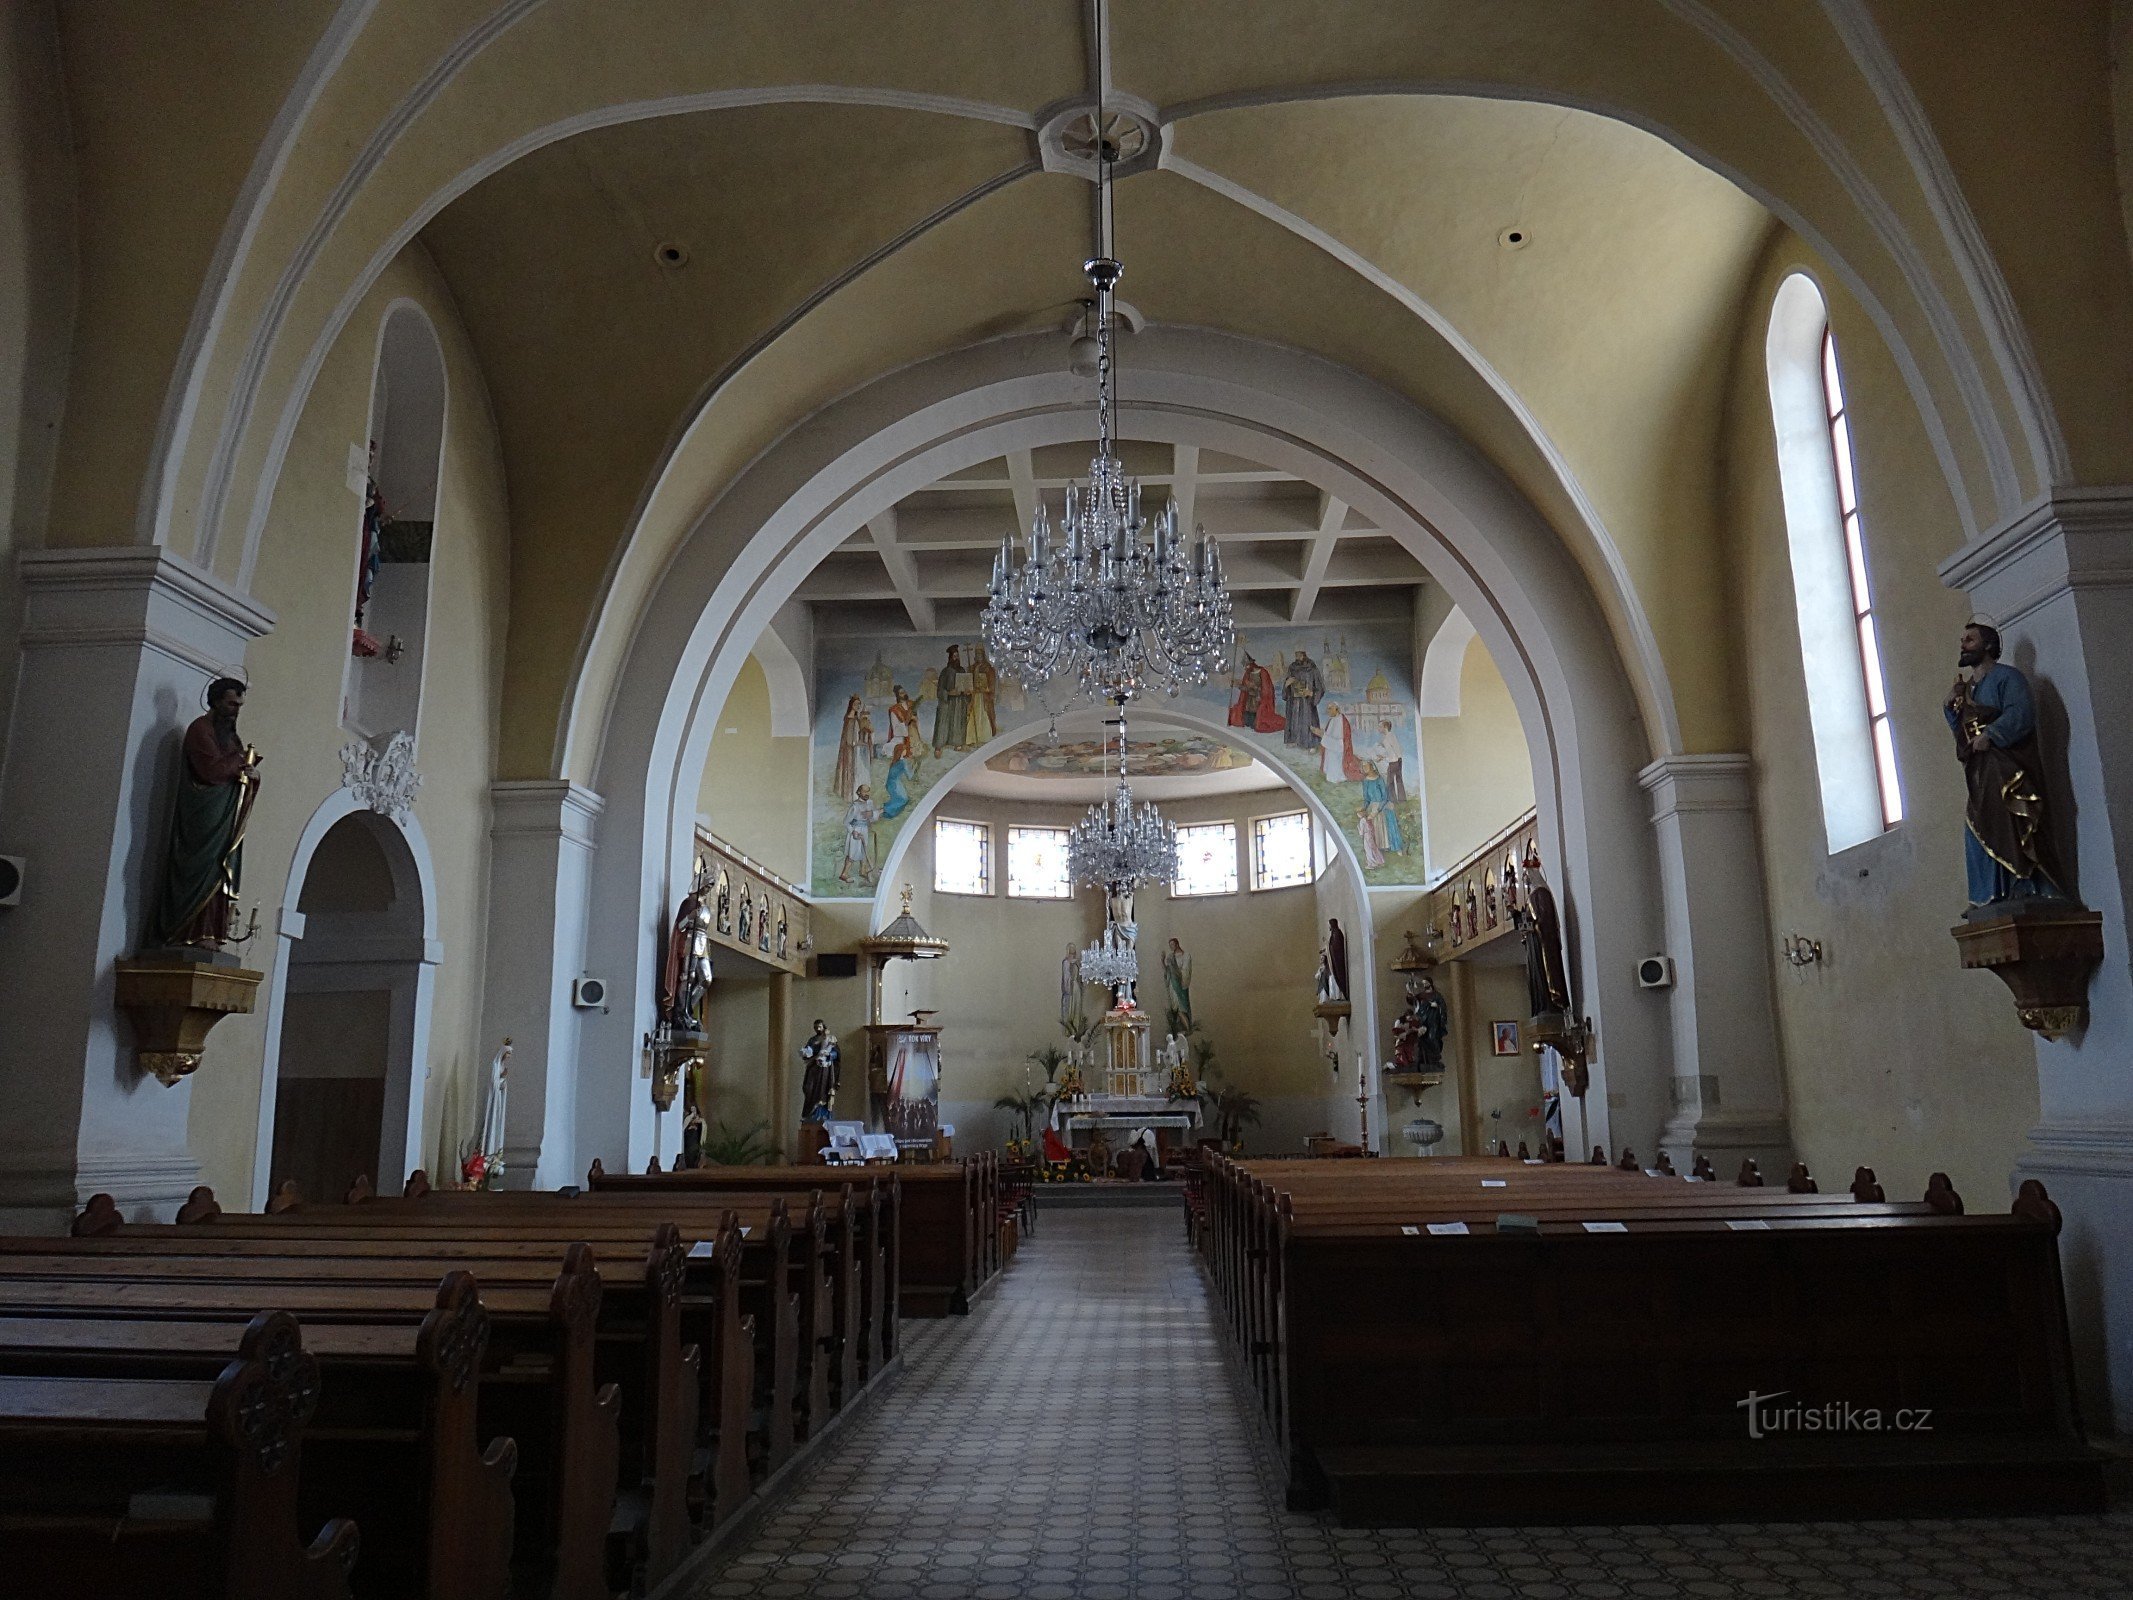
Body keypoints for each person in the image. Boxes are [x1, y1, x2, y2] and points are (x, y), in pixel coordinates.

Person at [1945, 621, 2066, 914]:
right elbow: (1962, 730)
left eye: (1970, 640)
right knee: (1975, 826)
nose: (1964, 645)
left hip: (2007, 767)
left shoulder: (2008, 678)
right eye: (1962, 640)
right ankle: (1989, 895)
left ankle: (2023, 885)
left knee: (2010, 820)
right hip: (1980, 770)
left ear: (1988, 645)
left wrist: (1993, 735)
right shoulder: (1967, 689)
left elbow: (2021, 713)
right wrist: (1951, 707)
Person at [152, 676, 263, 949]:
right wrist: (240, 761)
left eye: (239, 705)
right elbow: (210, 771)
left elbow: (236, 773)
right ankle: (186, 929)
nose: (235, 710)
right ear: (215, 701)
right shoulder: (199, 729)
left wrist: (253, 775)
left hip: (224, 817)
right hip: (202, 816)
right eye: (230, 704)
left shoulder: (232, 738)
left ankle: (210, 932)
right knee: (199, 868)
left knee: (219, 870)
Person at [1228, 651, 1283, 733]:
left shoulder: (1262, 672)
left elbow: (1267, 689)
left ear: (1251, 664)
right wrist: (1238, 686)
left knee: (1256, 721)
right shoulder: (1248, 674)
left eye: (1246, 665)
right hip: (1249, 702)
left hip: (1258, 701)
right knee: (1246, 718)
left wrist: (1255, 688)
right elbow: (1245, 690)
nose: (1245, 668)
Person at [1282, 648, 1325, 751]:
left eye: (1299, 654)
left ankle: (1311, 744)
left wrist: (1311, 693)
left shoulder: (1312, 668)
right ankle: (1293, 740)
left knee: (1308, 721)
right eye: (1296, 654)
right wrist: (1287, 684)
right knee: (1294, 720)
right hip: (1294, 701)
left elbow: (1321, 688)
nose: (1297, 656)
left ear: (1304, 654)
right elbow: (1286, 687)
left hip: (1307, 702)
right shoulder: (1292, 668)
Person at [800, 1020, 842, 1121]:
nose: (818, 1029)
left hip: (824, 1070)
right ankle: (810, 1114)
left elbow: (837, 1054)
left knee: (822, 1091)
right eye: (816, 1027)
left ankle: (821, 1114)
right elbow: (807, 1052)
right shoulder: (812, 1040)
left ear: (824, 1026)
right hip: (813, 1068)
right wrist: (806, 1053)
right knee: (808, 1088)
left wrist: (829, 1055)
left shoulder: (830, 1038)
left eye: (819, 1027)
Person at [1360, 761, 1404, 852]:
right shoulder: (1365, 781)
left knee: (1385, 815)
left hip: (1382, 804)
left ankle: (1391, 845)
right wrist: (1363, 808)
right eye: (1363, 767)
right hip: (1372, 805)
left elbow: (1385, 797)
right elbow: (1366, 798)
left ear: (1372, 767)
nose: (1365, 768)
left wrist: (1378, 809)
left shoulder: (1379, 779)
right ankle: (1377, 847)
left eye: (1366, 766)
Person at [934, 645, 972, 750]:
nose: (956, 658)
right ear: (950, 658)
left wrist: (968, 693)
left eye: (958, 656)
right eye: (954, 656)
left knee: (958, 722)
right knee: (944, 723)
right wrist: (949, 693)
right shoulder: (945, 672)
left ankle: (957, 743)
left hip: (960, 702)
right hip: (947, 703)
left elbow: (966, 686)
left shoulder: (962, 671)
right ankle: (940, 745)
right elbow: (940, 690)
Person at [840, 785, 879, 885]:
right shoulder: (855, 806)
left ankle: (863, 871)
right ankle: (844, 874)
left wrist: (872, 815)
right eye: (864, 792)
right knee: (853, 852)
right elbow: (846, 822)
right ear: (859, 793)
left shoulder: (870, 803)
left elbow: (873, 818)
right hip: (856, 831)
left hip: (865, 829)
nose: (867, 794)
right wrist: (853, 831)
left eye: (868, 792)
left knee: (864, 850)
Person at [832, 694, 868, 800]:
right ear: (851, 705)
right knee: (849, 770)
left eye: (859, 704)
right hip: (849, 750)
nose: (858, 706)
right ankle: (848, 794)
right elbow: (849, 739)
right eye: (856, 704)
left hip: (855, 748)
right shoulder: (849, 719)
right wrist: (855, 743)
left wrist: (860, 741)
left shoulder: (856, 718)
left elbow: (857, 733)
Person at [1319, 700, 1363, 782]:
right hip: (1330, 750)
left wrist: (1323, 736)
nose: (1327, 711)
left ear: (1336, 709)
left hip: (1337, 753)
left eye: (1330, 708)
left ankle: (1338, 777)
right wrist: (1323, 735)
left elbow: (1341, 744)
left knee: (1336, 770)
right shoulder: (1331, 720)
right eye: (1328, 708)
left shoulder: (1342, 722)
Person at [966, 644, 998, 746]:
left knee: (984, 715)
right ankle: (973, 738)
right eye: (977, 654)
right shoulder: (971, 668)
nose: (978, 656)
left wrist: (984, 689)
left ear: (983, 655)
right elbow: (968, 682)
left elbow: (992, 685)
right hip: (975, 697)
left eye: (980, 654)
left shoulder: (989, 669)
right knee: (973, 716)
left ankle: (984, 736)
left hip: (984, 697)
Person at [1162, 937, 1194, 1036]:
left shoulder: (1185, 956)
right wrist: (1163, 961)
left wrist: (1174, 965)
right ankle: (1180, 1028)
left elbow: (1184, 973)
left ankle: (1187, 1028)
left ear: (1177, 944)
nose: (1171, 947)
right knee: (1175, 1007)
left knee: (1181, 1007)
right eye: (1170, 945)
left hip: (1180, 986)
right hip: (1172, 984)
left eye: (1172, 945)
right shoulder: (1171, 957)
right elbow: (1167, 971)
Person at [879, 739, 915, 821]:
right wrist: (914, 768)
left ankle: (886, 813)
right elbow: (910, 776)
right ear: (902, 751)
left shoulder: (894, 761)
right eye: (905, 749)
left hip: (890, 784)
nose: (906, 751)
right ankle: (883, 810)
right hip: (895, 784)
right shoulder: (903, 762)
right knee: (903, 799)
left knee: (898, 799)